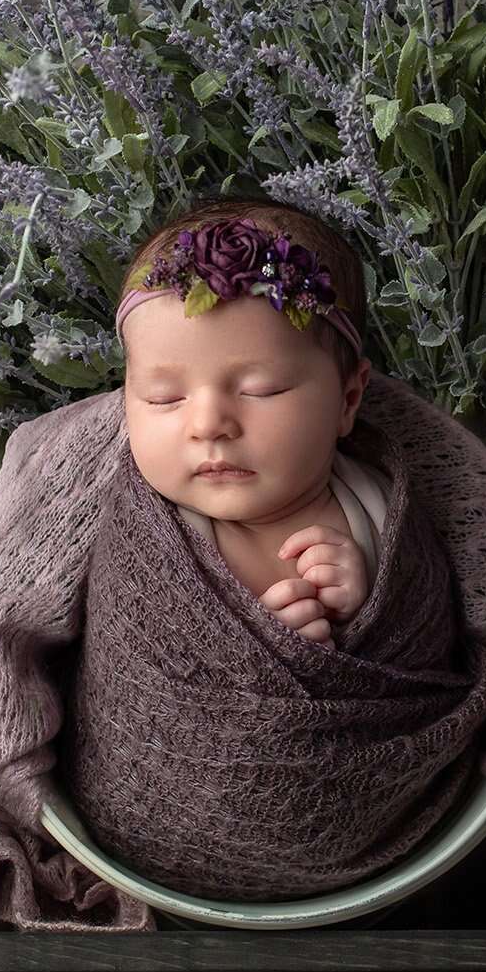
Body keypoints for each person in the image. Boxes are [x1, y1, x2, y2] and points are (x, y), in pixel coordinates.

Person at [113, 194, 387, 649]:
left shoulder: (379, 512)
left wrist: (368, 605)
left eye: (261, 390)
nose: (208, 425)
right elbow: (128, 659)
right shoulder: (140, 537)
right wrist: (243, 654)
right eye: (165, 398)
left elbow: (426, 634)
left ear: (348, 399)